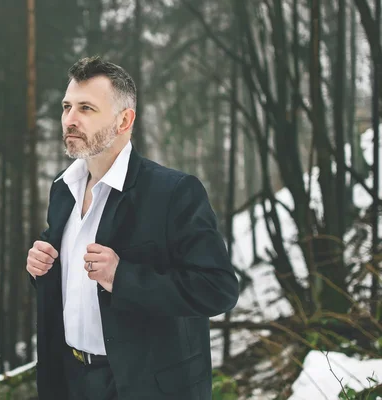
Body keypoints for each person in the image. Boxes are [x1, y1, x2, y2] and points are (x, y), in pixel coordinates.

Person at [26, 56, 239, 400]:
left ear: (124, 120)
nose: (70, 120)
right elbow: (73, 289)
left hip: (147, 387)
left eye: (86, 108)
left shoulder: (174, 192)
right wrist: (41, 270)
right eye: (66, 107)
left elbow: (218, 289)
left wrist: (121, 277)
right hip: (71, 379)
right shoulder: (62, 190)